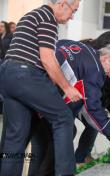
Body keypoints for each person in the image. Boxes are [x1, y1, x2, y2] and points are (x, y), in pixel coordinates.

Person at [0, 0, 81, 175]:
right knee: (63, 118)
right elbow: (47, 58)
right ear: (62, 4)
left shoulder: (30, 15)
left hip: (7, 74)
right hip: (26, 74)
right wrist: (67, 88)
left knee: (16, 137)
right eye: (73, 11)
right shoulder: (48, 18)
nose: (72, 17)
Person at [28, 42, 110, 176]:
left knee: (43, 141)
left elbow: (59, 44)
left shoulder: (85, 48)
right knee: (65, 131)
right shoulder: (96, 69)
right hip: (41, 96)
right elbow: (93, 108)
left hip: (30, 85)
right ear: (105, 58)